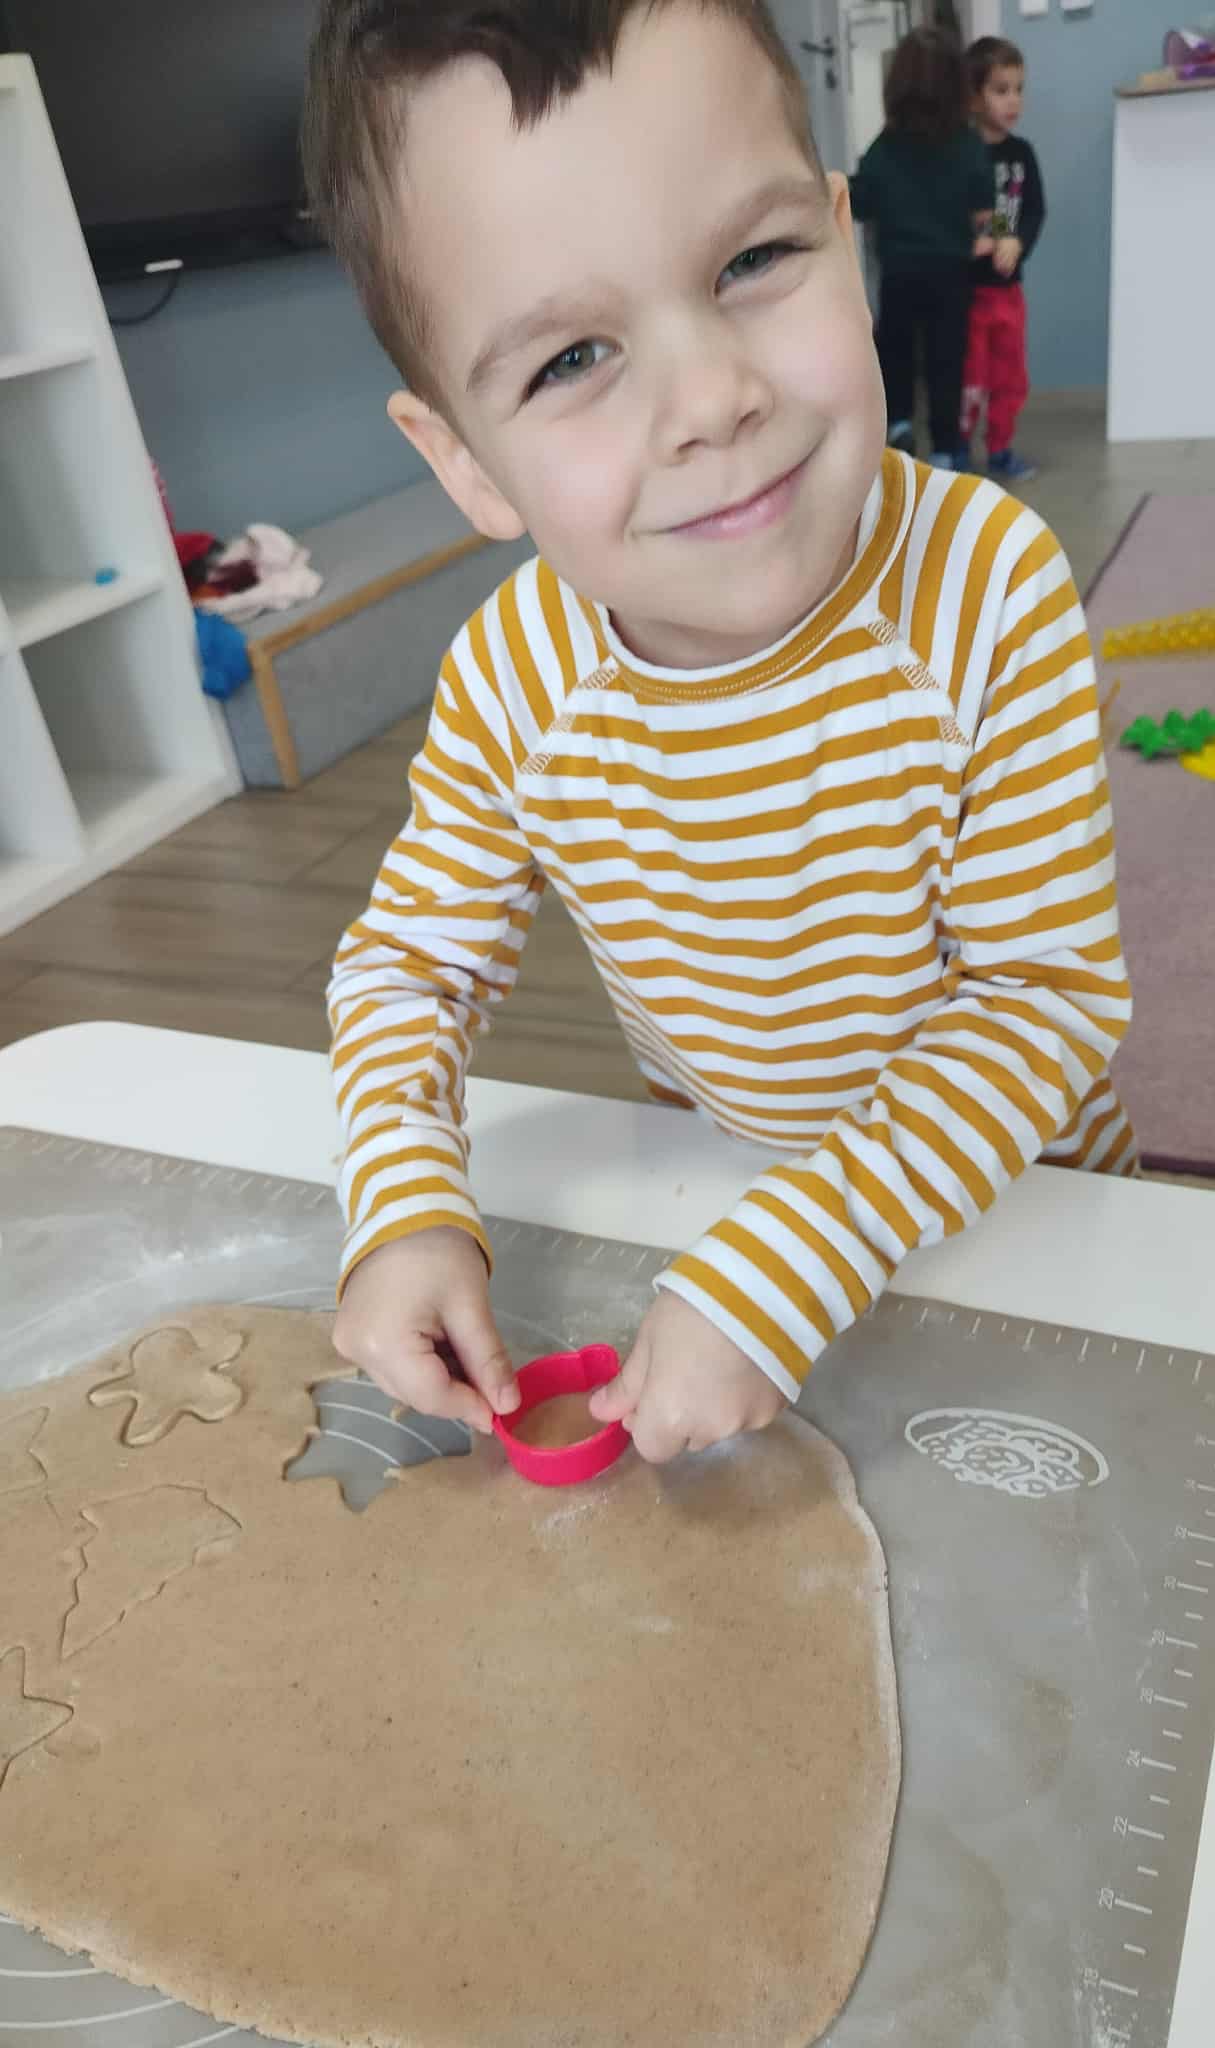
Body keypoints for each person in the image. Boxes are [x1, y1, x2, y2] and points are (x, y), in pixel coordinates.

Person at [304, 0, 1135, 1467]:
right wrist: (405, 1204)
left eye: (754, 262)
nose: (713, 401)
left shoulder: (989, 586)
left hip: (1029, 1226)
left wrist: (794, 1257)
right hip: (731, 1218)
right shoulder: (513, 679)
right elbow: (403, 969)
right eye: (571, 358)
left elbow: (1041, 1005)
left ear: (845, 238)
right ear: (463, 462)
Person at [849, 27, 993, 470]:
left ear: (897, 86)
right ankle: (946, 447)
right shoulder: (969, 145)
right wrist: (999, 238)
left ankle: (899, 425)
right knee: (946, 359)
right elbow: (987, 208)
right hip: (951, 274)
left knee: (897, 351)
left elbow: (861, 201)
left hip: (900, 272)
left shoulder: (885, 146)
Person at [961, 35, 1045, 484]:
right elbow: (969, 209)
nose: (1014, 100)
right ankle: (957, 449)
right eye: (1000, 90)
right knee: (971, 377)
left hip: (1009, 292)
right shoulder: (962, 152)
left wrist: (1017, 243)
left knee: (1010, 375)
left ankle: (1000, 448)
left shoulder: (1022, 154)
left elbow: (1034, 210)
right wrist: (991, 237)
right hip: (970, 293)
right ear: (975, 97)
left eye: (1018, 89)